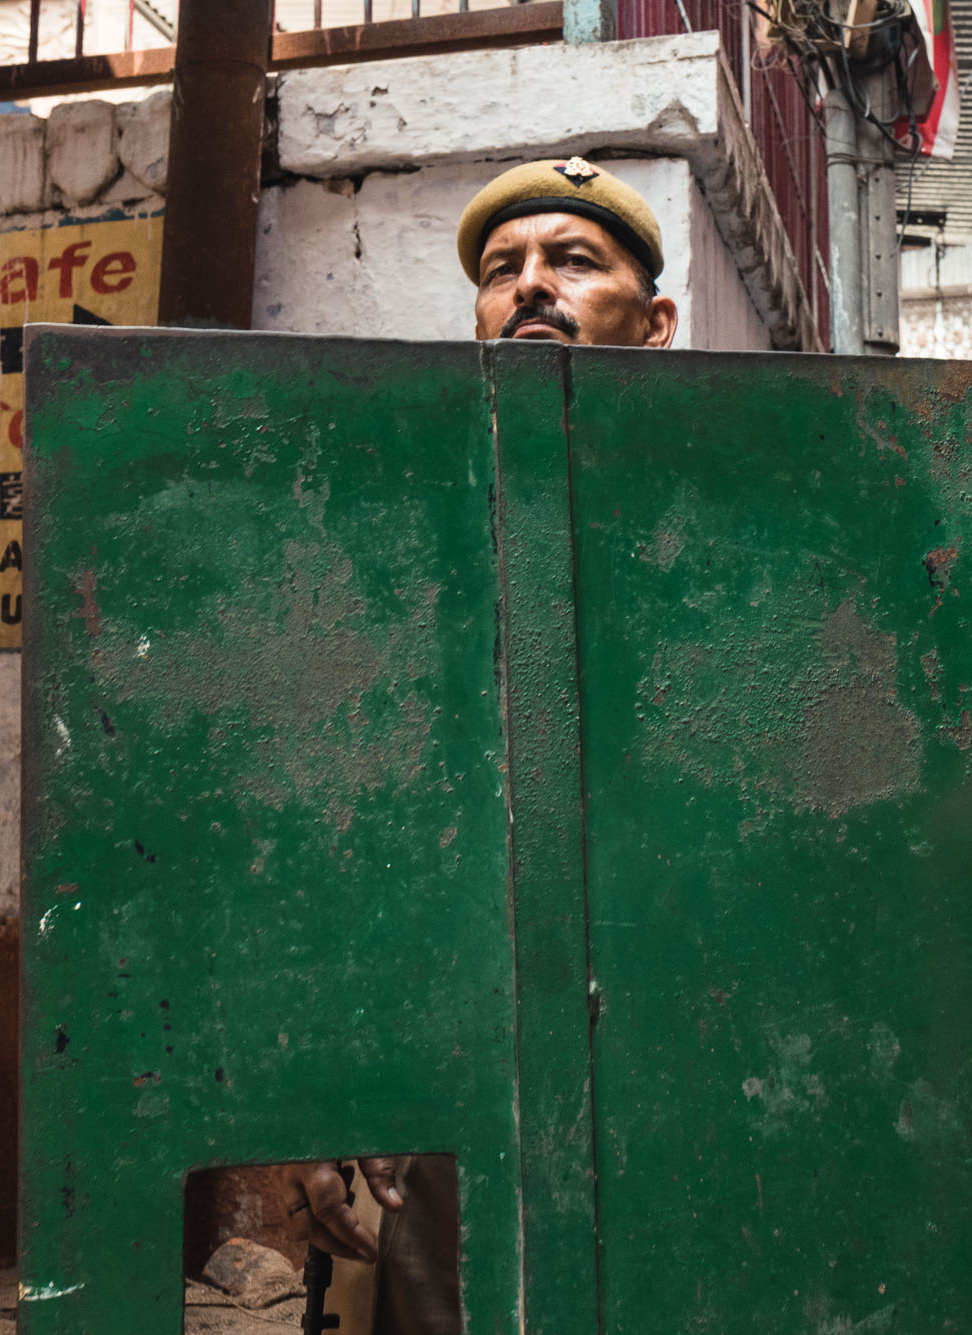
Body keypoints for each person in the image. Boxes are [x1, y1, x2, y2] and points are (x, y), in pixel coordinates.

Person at [281, 155, 676, 1335]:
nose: (532, 286)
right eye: (504, 270)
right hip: (459, 1072)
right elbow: (349, 822)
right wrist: (321, 1083)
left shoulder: (712, 520)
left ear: (653, 326)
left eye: (572, 261)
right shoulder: (407, 534)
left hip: (678, 1066)